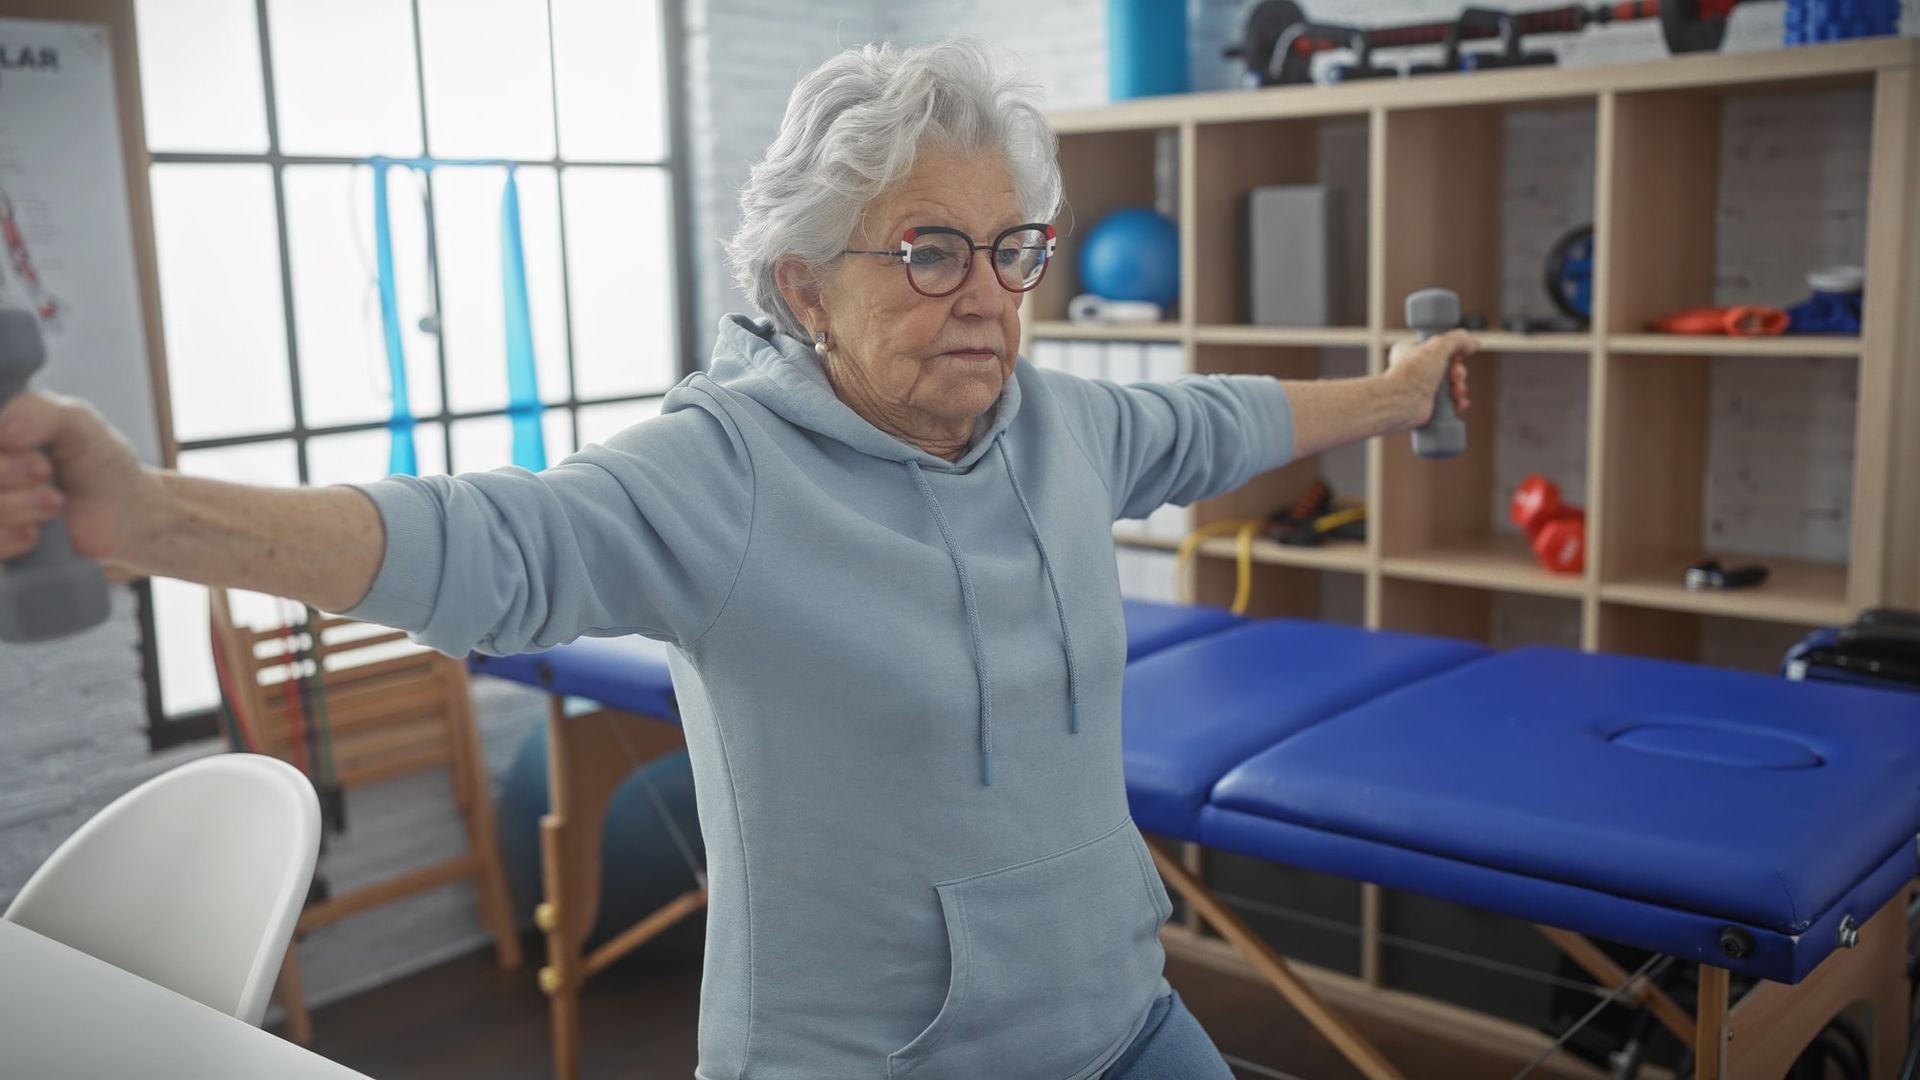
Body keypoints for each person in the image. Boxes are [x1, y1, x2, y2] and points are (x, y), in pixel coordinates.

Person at [0, 38, 1472, 1080]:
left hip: (1122, 1024)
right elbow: (485, 542)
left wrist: (1396, 396)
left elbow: (1221, 423)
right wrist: (146, 521)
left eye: (1011, 249)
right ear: (801, 285)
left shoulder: (1056, 429)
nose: (989, 298)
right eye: (929, 251)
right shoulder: (723, 477)